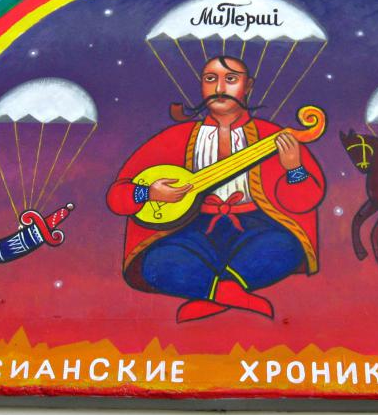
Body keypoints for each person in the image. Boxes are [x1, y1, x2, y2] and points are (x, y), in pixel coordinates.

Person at [106, 56, 325, 322]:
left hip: (255, 226)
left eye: (231, 79)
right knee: (157, 263)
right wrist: (149, 193)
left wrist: (294, 168)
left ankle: (210, 293)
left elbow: (304, 202)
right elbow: (117, 196)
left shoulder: (274, 137)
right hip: (189, 228)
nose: (220, 88)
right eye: (211, 79)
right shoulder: (175, 138)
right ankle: (232, 292)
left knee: (285, 246)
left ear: (248, 86)